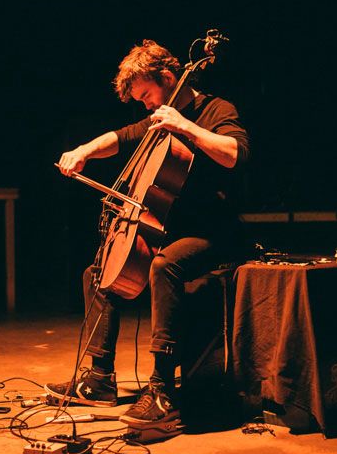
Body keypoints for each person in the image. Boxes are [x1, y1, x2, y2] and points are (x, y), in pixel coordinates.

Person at [45, 39, 250, 428]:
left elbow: (235, 152)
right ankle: (99, 379)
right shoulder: (156, 119)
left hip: (213, 230)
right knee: (98, 272)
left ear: (169, 78)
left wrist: (185, 125)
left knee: (163, 266)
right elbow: (118, 138)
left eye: (146, 95)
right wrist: (84, 151)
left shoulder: (215, 110)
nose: (146, 106)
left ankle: (161, 389)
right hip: (169, 228)